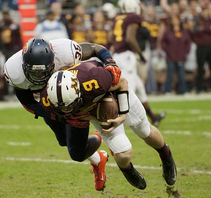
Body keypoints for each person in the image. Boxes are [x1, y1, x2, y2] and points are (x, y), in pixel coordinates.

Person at [3, 37, 121, 191]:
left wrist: (110, 62)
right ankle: (99, 158)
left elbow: (94, 48)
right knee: (64, 141)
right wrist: (53, 114)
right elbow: (28, 103)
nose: (40, 77)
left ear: (53, 61)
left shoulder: (67, 52)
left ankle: (103, 137)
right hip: (51, 103)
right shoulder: (14, 71)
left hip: (76, 96)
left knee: (76, 153)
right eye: (35, 73)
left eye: (44, 71)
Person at [43, 61, 177, 189]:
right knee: (123, 153)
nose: (67, 110)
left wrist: (123, 115)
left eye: (70, 105)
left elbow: (122, 82)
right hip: (96, 110)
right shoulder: (47, 101)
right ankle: (127, 170)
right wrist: (88, 116)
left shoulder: (95, 79)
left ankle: (165, 155)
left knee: (144, 130)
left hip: (116, 95)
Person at [108, 0, 166, 127]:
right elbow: (130, 38)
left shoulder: (117, 18)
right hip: (127, 56)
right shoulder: (133, 17)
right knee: (128, 91)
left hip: (119, 55)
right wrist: (140, 54)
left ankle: (153, 117)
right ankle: (118, 120)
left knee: (139, 88)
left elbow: (110, 38)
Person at [161, 15, 191, 95]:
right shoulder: (168, 31)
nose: (174, 22)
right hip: (170, 57)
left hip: (181, 56)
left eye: (176, 20)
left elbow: (188, 42)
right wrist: (167, 51)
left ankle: (183, 90)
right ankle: (167, 90)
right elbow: (163, 42)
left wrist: (186, 52)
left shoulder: (183, 31)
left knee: (181, 75)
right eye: (173, 20)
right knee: (170, 75)